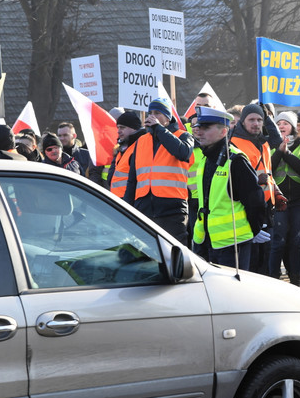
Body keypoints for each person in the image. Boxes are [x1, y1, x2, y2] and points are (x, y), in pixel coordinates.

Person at [191, 106, 267, 269]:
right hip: (207, 241)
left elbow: (255, 200)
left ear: (223, 132)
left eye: (206, 128)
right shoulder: (205, 158)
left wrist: (252, 231)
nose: (199, 131)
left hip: (233, 245)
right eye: (198, 127)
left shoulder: (236, 160)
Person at [125, 97, 194, 243]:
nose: (152, 116)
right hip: (144, 209)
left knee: (175, 254)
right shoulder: (141, 141)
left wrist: (159, 129)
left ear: (168, 118)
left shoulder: (184, 136)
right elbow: (133, 179)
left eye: (157, 113)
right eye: (150, 112)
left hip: (172, 210)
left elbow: (182, 153)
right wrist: (127, 209)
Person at [230, 103, 285, 275]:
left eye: (260, 120)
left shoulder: (264, 142)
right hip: (247, 209)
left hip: (266, 206)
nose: (256, 123)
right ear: (243, 122)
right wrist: (255, 179)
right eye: (251, 119)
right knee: (252, 261)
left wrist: (276, 192)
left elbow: (268, 172)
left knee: (266, 258)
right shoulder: (233, 142)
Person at [269, 111, 300, 284]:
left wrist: (287, 153)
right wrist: (279, 151)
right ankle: (273, 279)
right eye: (278, 123)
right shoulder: (270, 145)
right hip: (278, 200)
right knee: (278, 240)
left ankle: (296, 280)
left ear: (292, 127)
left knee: (296, 241)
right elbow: (269, 167)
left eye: (285, 123)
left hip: (298, 200)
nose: (281, 126)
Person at [107, 111, 145, 199]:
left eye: (122, 127)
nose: (118, 131)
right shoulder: (123, 147)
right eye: (118, 127)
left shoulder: (140, 147)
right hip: (120, 200)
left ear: (134, 128)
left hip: (130, 201)